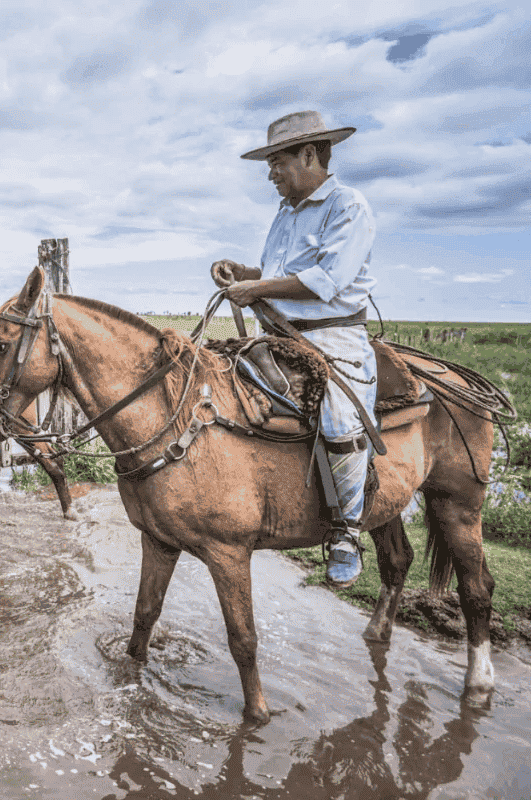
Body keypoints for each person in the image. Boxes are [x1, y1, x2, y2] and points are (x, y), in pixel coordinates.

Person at [211, 110, 377, 588]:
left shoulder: (348, 206)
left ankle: (345, 530)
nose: (270, 173)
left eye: (276, 161)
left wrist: (255, 290)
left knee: (338, 411)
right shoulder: (285, 212)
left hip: (332, 334)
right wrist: (242, 273)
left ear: (309, 155)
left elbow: (327, 280)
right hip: (279, 331)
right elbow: (273, 271)